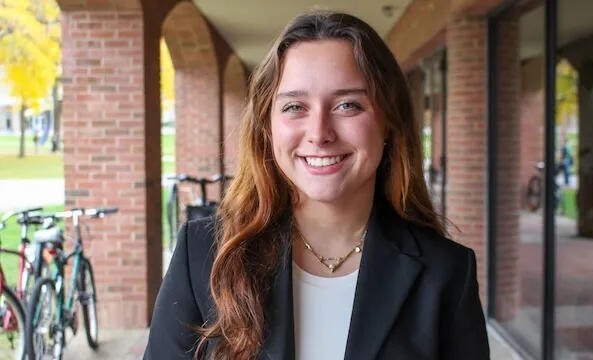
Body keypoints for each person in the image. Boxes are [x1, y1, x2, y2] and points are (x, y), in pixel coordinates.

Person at [143, 10, 490, 360]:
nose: (319, 133)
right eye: (295, 106)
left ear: (388, 122)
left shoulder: (446, 272)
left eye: (348, 104)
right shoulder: (203, 256)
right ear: (268, 127)